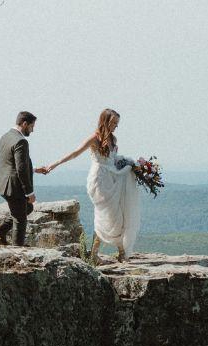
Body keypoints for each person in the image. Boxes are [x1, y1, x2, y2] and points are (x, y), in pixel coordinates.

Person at [38, 108, 141, 260]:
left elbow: (113, 160)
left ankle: (116, 252)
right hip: (99, 180)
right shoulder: (94, 138)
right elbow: (75, 153)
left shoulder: (114, 139)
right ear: (105, 121)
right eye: (113, 122)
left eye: (117, 123)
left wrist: (131, 165)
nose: (116, 126)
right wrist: (54, 165)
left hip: (112, 179)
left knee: (117, 214)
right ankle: (99, 254)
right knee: (105, 214)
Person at [0, 110, 37, 245]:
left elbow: (10, 162)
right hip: (14, 187)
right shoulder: (21, 141)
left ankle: (0, 231)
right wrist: (29, 192)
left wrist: (34, 169)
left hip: (3, 184)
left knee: (27, 208)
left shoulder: (5, 137)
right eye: (32, 126)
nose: (33, 130)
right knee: (20, 220)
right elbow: (20, 169)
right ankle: (17, 250)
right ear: (24, 124)